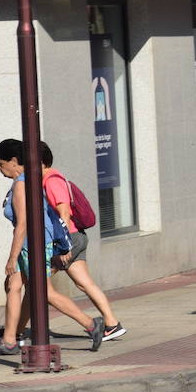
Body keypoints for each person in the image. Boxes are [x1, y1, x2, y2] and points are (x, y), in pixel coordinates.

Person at [0, 139, 104, 357]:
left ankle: (91, 324)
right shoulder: (27, 181)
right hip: (30, 245)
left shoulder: (21, 184)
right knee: (13, 286)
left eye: (0, 163)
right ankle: (9, 341)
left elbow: (22, 224)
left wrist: (12, 258)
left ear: (13, 161)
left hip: (33, 246)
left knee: (45, 293)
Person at [39, 141, 125, 342]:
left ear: (41, 162)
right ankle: (112, 324)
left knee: (35, 283)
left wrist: (63, 245)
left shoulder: (51, 181)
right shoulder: (52, 178)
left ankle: (12, 333)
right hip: (76, 236)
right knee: (85, 284)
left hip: (69, 239)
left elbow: (64, 212)